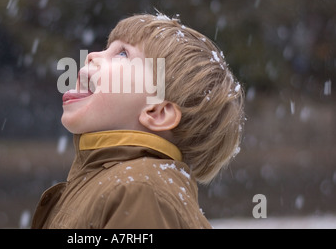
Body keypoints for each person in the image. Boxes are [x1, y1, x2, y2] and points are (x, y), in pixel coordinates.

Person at [31, 12, 245, 229]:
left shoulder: (141, 192)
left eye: (122, 54)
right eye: (108, 48)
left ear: (157, 113)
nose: (91, 55)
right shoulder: (110, 184)